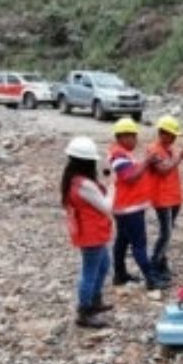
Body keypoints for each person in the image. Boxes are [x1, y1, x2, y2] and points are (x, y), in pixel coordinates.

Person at [61, 136, 114, 328]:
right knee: (90, 272)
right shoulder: (84, 185)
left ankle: (94, 300)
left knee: (103, 265)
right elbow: (107, 206)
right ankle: (84, 311)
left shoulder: (73, 180)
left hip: (91, 232)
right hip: (91, 234)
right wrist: (113, 187)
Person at [107, 117, 164, 290]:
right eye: (133, 136)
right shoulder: (118, 154)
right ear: (123, 136)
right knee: (139, 244)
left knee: (122, 241)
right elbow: (129, 177)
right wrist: (147, 162)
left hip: (126, 206)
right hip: (128, 207)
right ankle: (151, 279)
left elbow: (131, 172)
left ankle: (120, 274)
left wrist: (146, 163)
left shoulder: (121, 153)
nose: (135, 140)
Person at [147, 115, 183, 283]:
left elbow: (171, 167)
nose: (174, 138)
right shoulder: (153, 150)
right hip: (162, 198)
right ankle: (155, 266)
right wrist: (180, 157)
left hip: (173, 197)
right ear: (162, 133)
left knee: (168, 232)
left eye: (174, 135)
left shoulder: (170, 149)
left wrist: (180, 155)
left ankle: (161, 262)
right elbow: (163, 170)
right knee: (166, 234)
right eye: (171, 135)